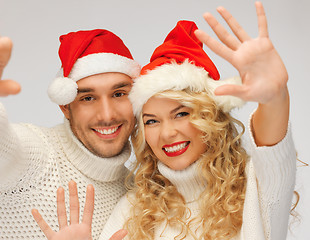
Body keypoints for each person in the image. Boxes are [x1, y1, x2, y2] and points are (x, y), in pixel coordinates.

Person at [31, 2, 296, 240]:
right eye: (151, 121)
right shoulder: (134, 208)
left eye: (181, 114)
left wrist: (275, 96)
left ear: (210, 117)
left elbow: (272, 145)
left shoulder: (258, 185)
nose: (167, 133)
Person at [0, 29, 140, 240]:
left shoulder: (135, 191)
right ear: (65, 107)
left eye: (119, 94)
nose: (107, 115)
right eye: (88, 98)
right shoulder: (37, 156)